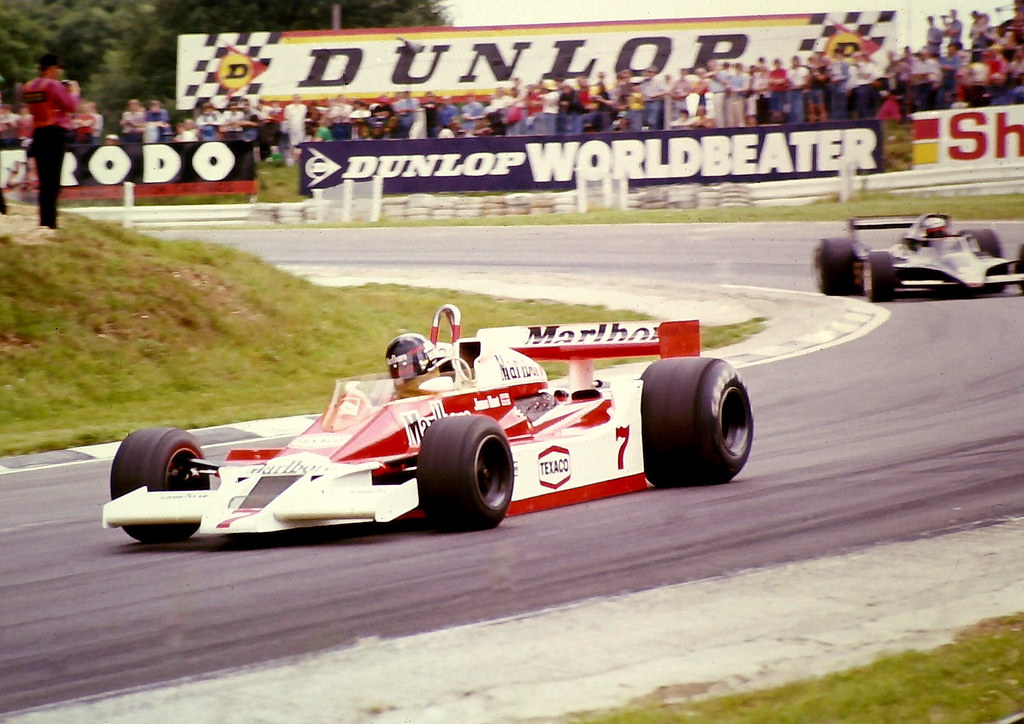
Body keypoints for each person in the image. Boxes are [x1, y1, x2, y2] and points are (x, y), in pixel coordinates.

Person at [22, 52, 79, 229]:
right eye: (58, 69)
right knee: (53, 181)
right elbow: (70, 106)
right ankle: (51, 223)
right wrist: (75, 92)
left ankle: (43, 221)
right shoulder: (53, 85)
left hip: (38, 132)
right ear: (52, 69)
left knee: (43, 179)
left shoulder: (28, 86)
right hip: (54, 133)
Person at [386, 333, 445, 398]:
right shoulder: (390, 398)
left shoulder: (442, 393)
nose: (400, 379)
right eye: (395, 371)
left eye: (406, 368)